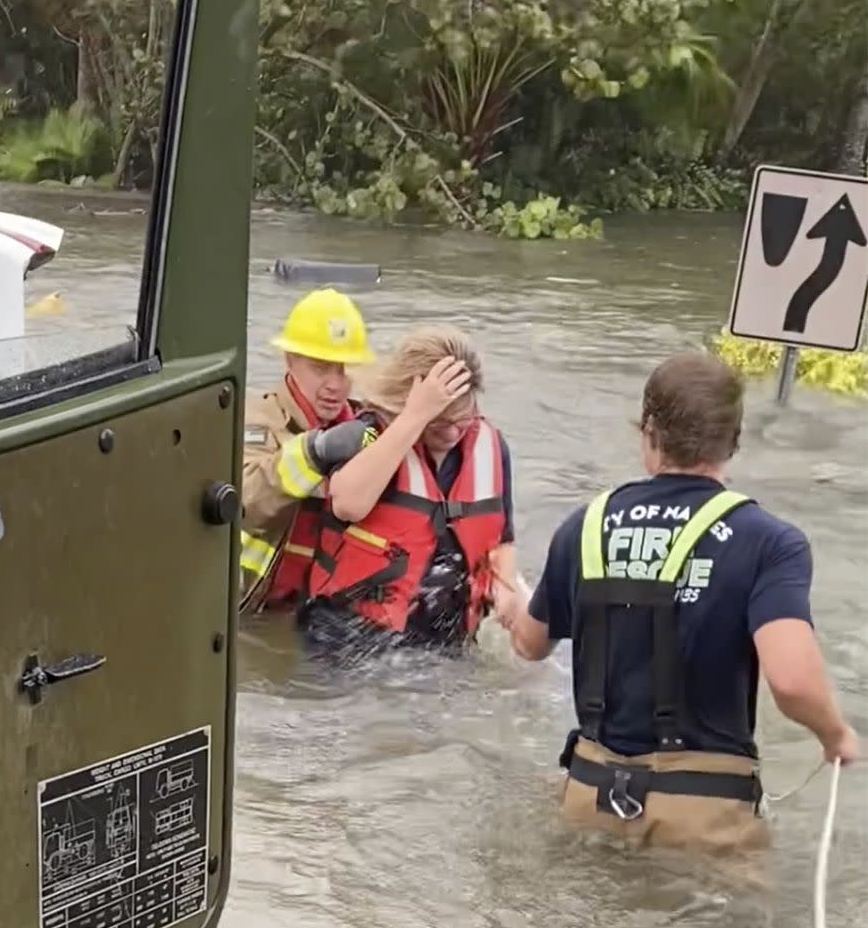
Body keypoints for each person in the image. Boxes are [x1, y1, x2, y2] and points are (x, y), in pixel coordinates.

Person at [501, 351, 859, 850]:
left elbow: (530, 645)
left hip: (588, 796)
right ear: (733, 439)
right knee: (743, 925)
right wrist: (836, 736)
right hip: (704, 814)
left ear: (648, 431)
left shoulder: (583, 526)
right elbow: (794, 682)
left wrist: (514, 606)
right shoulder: (768, 541)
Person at [290, 328, 520, 661]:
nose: (454, 432)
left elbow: (503, 539)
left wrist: (507, 587)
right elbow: (347, 504)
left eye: (463, 419)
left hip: (444, 645)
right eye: (441, 422)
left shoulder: (491, 448)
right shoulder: (368, 434)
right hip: (350, 644)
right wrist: (415, 416)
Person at [239, 288, 374, 613]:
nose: (334, 384)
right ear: (290, 361)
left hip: (322, 617)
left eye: (344, 370)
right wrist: (314, 452)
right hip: (255, 610)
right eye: (320, 367)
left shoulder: (365, 425)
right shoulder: (255, 419)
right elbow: (247, 500)